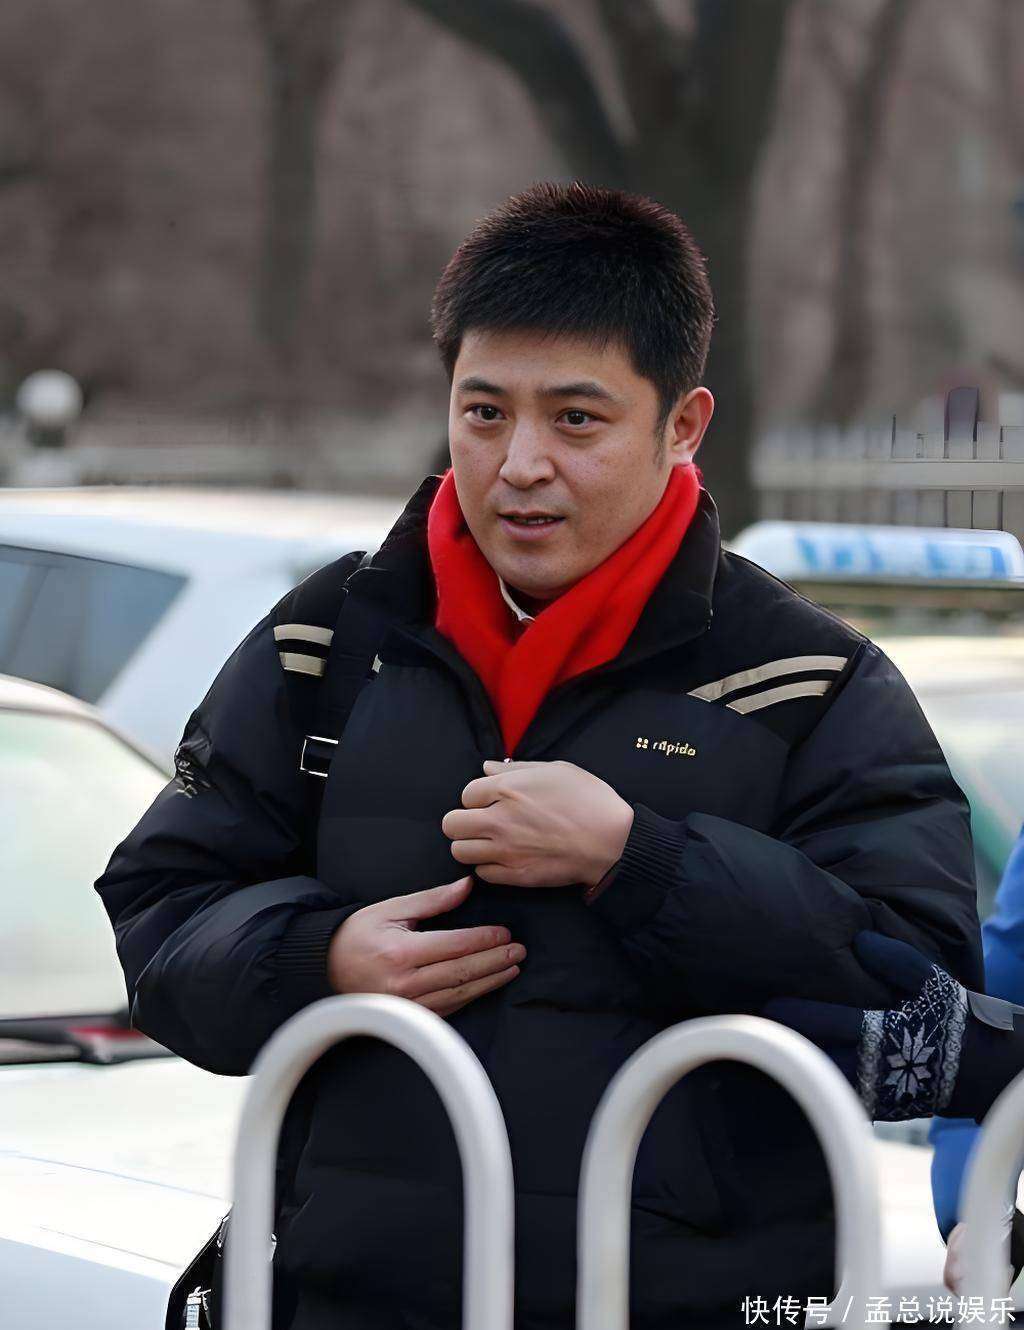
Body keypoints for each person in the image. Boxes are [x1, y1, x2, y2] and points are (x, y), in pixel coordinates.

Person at [95, 182, 983, 1330]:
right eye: (483, 412)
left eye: (575, 419)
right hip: (352, 1301)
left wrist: (639, 860)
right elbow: (160, 918)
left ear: (682, 425)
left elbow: (925, 1016)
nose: (519, 463)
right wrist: (319, 957)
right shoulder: (329, 638)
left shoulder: (807, 680)